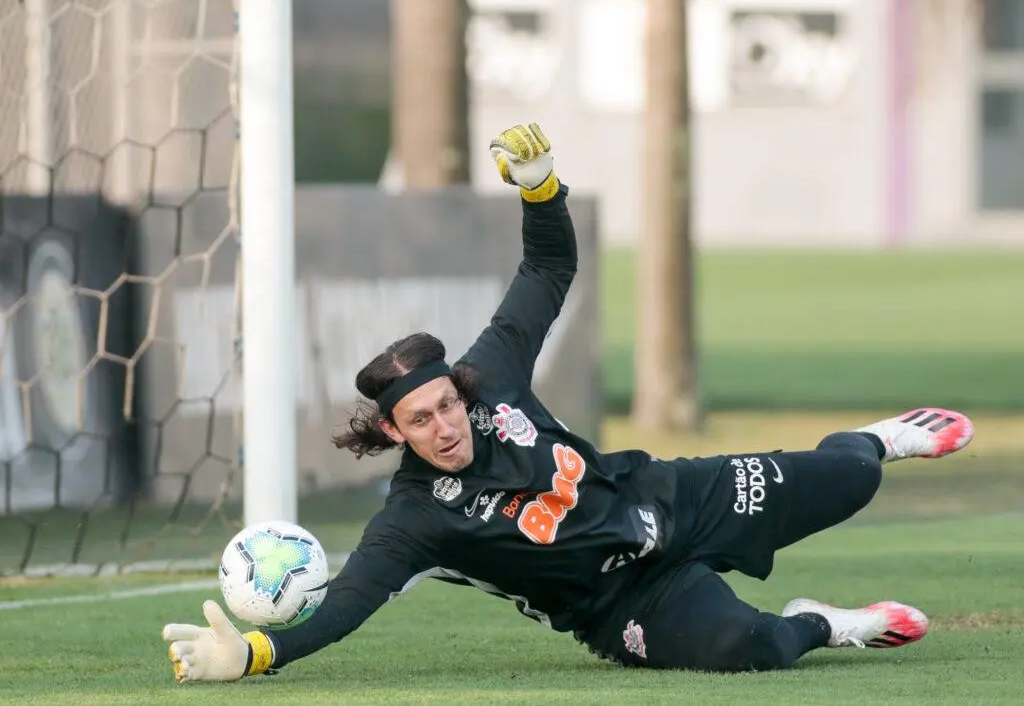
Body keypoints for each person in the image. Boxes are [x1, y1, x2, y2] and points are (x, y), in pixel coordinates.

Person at [162, 124, 974, 683]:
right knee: (757, 647)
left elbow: (547, 270)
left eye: (445, 406)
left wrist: (538, 187)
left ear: (458, 390)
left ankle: (877, 440)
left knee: (852, 482)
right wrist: (259, 655)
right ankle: (830, 623)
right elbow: (344, 609)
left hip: (671, 498)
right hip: (623, 601)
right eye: (420, 420)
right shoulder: (413, 521)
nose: (444, 426)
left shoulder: (493, 376)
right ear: (392, 430)